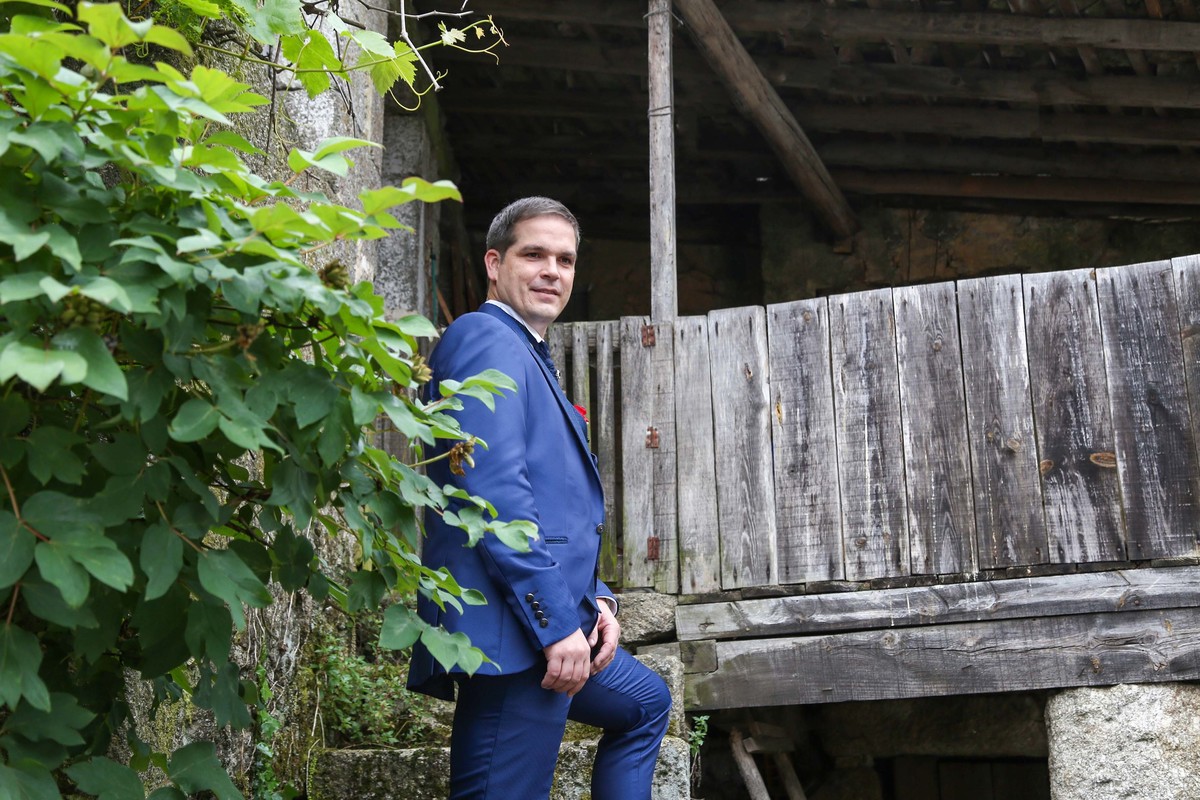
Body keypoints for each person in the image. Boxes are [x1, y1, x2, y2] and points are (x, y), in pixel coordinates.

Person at [407, 197, 671, 799]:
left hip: (548, 616)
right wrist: (555, 626)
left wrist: (595, 601)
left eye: (565, 260)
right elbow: (492, 494)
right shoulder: (484, 338)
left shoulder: (528, 352)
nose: (552, 270)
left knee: (646, 704)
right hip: (516, 631)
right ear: (494, 264)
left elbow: (555, 505)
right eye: (534, 254)